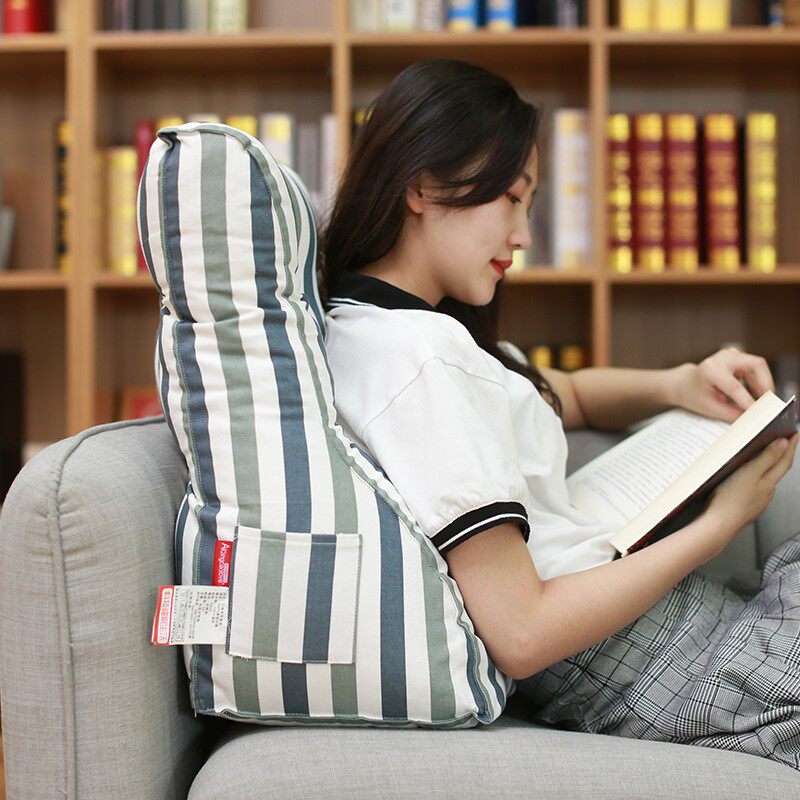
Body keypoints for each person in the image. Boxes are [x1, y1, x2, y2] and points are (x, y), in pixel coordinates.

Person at [318, 57, 800, 769]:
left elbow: (562, 394)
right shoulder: (419, 359)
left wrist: (680, 384)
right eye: (510, 199)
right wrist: (722, 522)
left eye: (530, 204)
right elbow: (522, 634)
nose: (522, 234)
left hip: (671, 637)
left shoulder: (404, 330)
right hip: (660, 668)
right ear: (421, 186)